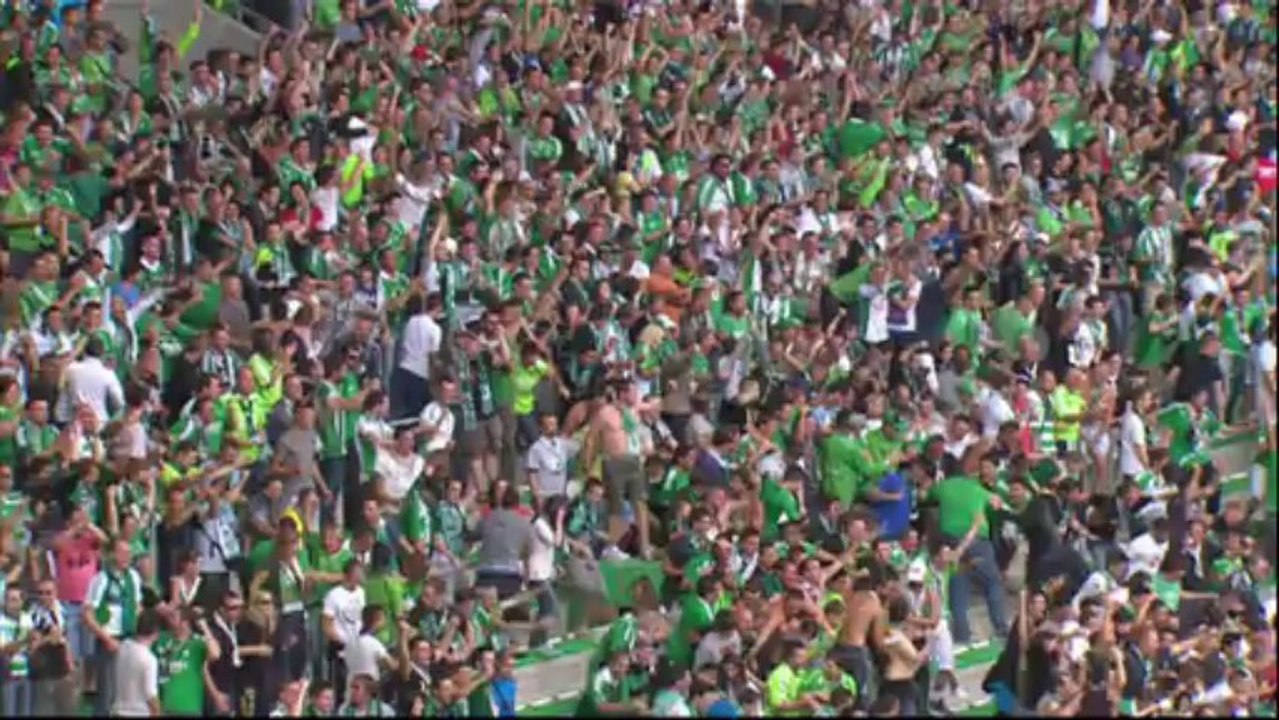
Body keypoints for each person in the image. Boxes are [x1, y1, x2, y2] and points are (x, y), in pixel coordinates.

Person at [111, 609, 162, 717]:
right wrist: (158, 712)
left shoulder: (123, 646)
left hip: (117, 710)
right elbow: (150, 693)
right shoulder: (149, 659)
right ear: (156, 634)